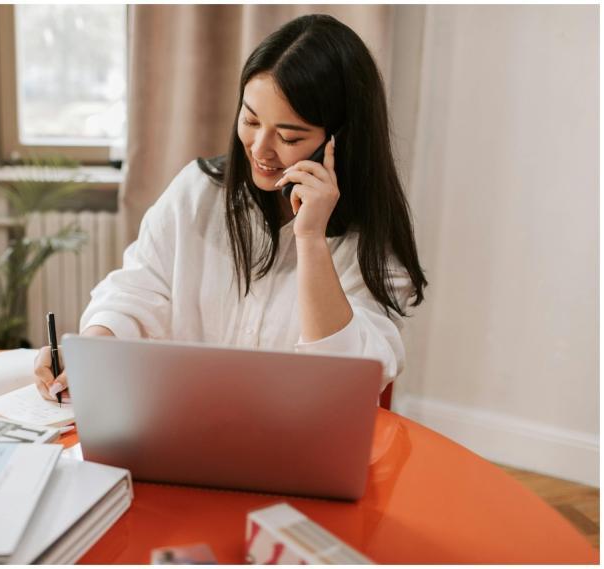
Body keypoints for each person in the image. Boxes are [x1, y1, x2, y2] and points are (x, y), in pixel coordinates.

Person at [35, 14, 427, 402]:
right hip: (182, 427)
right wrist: (91, 351)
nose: (259, 149)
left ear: (339, 141)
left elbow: (345, 381)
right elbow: (136, 291)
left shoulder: (373, 241)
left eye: (288, 136)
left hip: (296, 447)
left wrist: (311, 241)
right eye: (251, 120)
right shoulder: (198, 191)